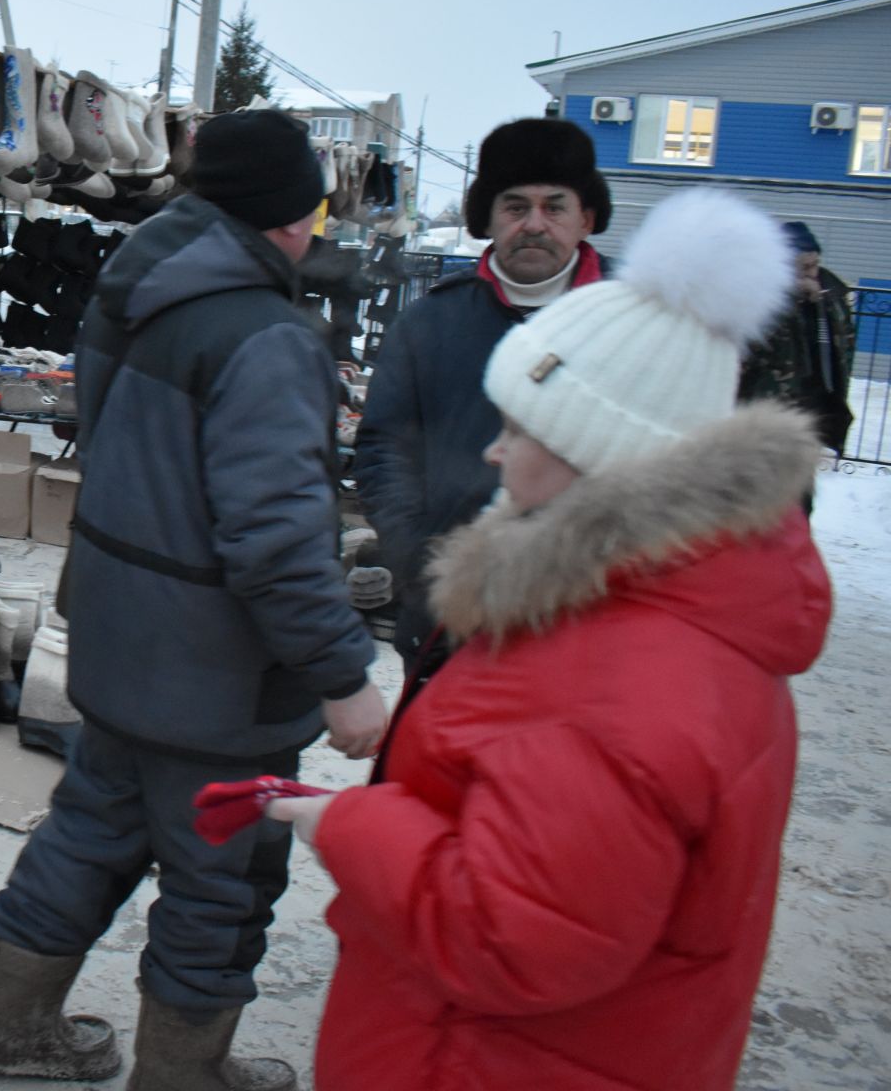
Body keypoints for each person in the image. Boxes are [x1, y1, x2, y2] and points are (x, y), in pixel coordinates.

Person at [266, 188, 831, 1091]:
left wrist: (351, 823)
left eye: (519, 427)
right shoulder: (633, 610)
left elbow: (514, 939)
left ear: (599, 451)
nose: (492, 452)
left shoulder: (617, 682)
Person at [0, 110, 388, 1091]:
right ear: (287, 215)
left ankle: (8, 1024)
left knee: (91, 830)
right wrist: (342, 673)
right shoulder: (269, 338)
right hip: (219, 679)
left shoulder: (135, 286)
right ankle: (182, 1073)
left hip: (115, 636)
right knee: (221, 882)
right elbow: (273, 538)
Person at [353, 118, 610, 674]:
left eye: (554, 206)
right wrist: (424, 565)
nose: (534, 224)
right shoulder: (431, 322)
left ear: (586, 217)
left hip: (597, 626)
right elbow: (382, 451)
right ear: (488, 217)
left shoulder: (634, 322)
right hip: (450, 622)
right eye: (515, 206)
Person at [739, 220, 854, 458]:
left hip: (815, 405)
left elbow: (843, 351)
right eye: (803, 266)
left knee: (798, 484)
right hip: (766, 408)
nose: (812, 273)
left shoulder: (832, 297)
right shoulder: (761, 300)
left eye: (815, 264)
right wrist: (791, 296)